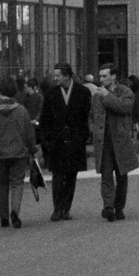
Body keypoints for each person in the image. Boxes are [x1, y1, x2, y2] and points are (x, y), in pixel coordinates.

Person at [37, 63, 92, 221]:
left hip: (75, 139)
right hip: (57, 139)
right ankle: (57, 208)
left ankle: (66, 208)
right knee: (57, 175)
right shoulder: (51, 93)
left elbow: (85, 116)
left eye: (58, 75)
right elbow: (45, 117)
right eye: (55, 76)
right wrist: (46, 139)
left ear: (67, 76)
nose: (55, 78)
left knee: (71, 175)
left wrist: (83, 137)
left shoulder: (83, 92)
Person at [0, 79, 37, 228]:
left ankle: (3, 218)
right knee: (17, 183)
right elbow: (29, 134)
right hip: (19, 153)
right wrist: (32, 150)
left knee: (1, 184)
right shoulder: (22, 111)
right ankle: (15, 212)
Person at [90, 65, 139, 221]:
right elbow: (92, 115)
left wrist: (107, 96)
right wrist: (93, 129)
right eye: (100, 76)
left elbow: (124, 107)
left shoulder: (125, 91)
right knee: (106, 175)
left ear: (114, 76)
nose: (101, 79)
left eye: (105, 76)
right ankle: (108, 207)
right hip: (103, 140)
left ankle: (119, 207)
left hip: (120, 139)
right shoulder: (97, 95)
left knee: (121, 174)